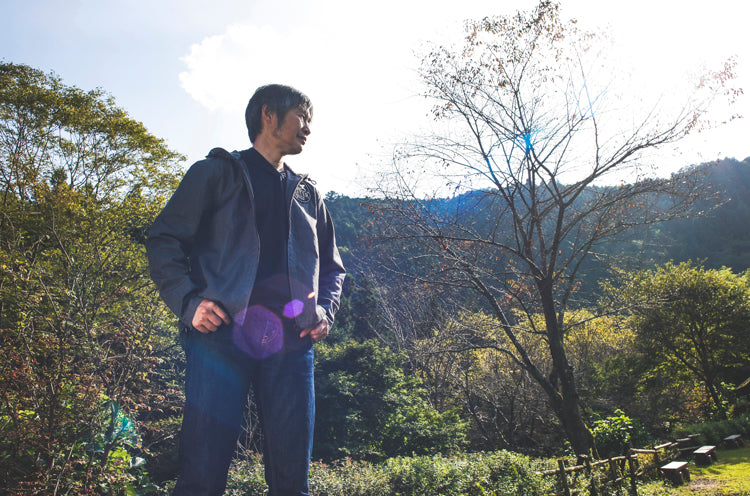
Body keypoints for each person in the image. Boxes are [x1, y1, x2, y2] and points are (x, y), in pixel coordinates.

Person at [146, 84, 346, 496]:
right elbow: (164, 240)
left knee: (292, 481)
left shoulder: (307, 192)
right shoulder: (214, 173)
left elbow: (332, 267)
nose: (308, 128)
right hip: (219, 338)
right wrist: (189, 302)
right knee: (202, 475)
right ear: (268, 115)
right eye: (302, 116)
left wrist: (325, 310)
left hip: (292, 343)